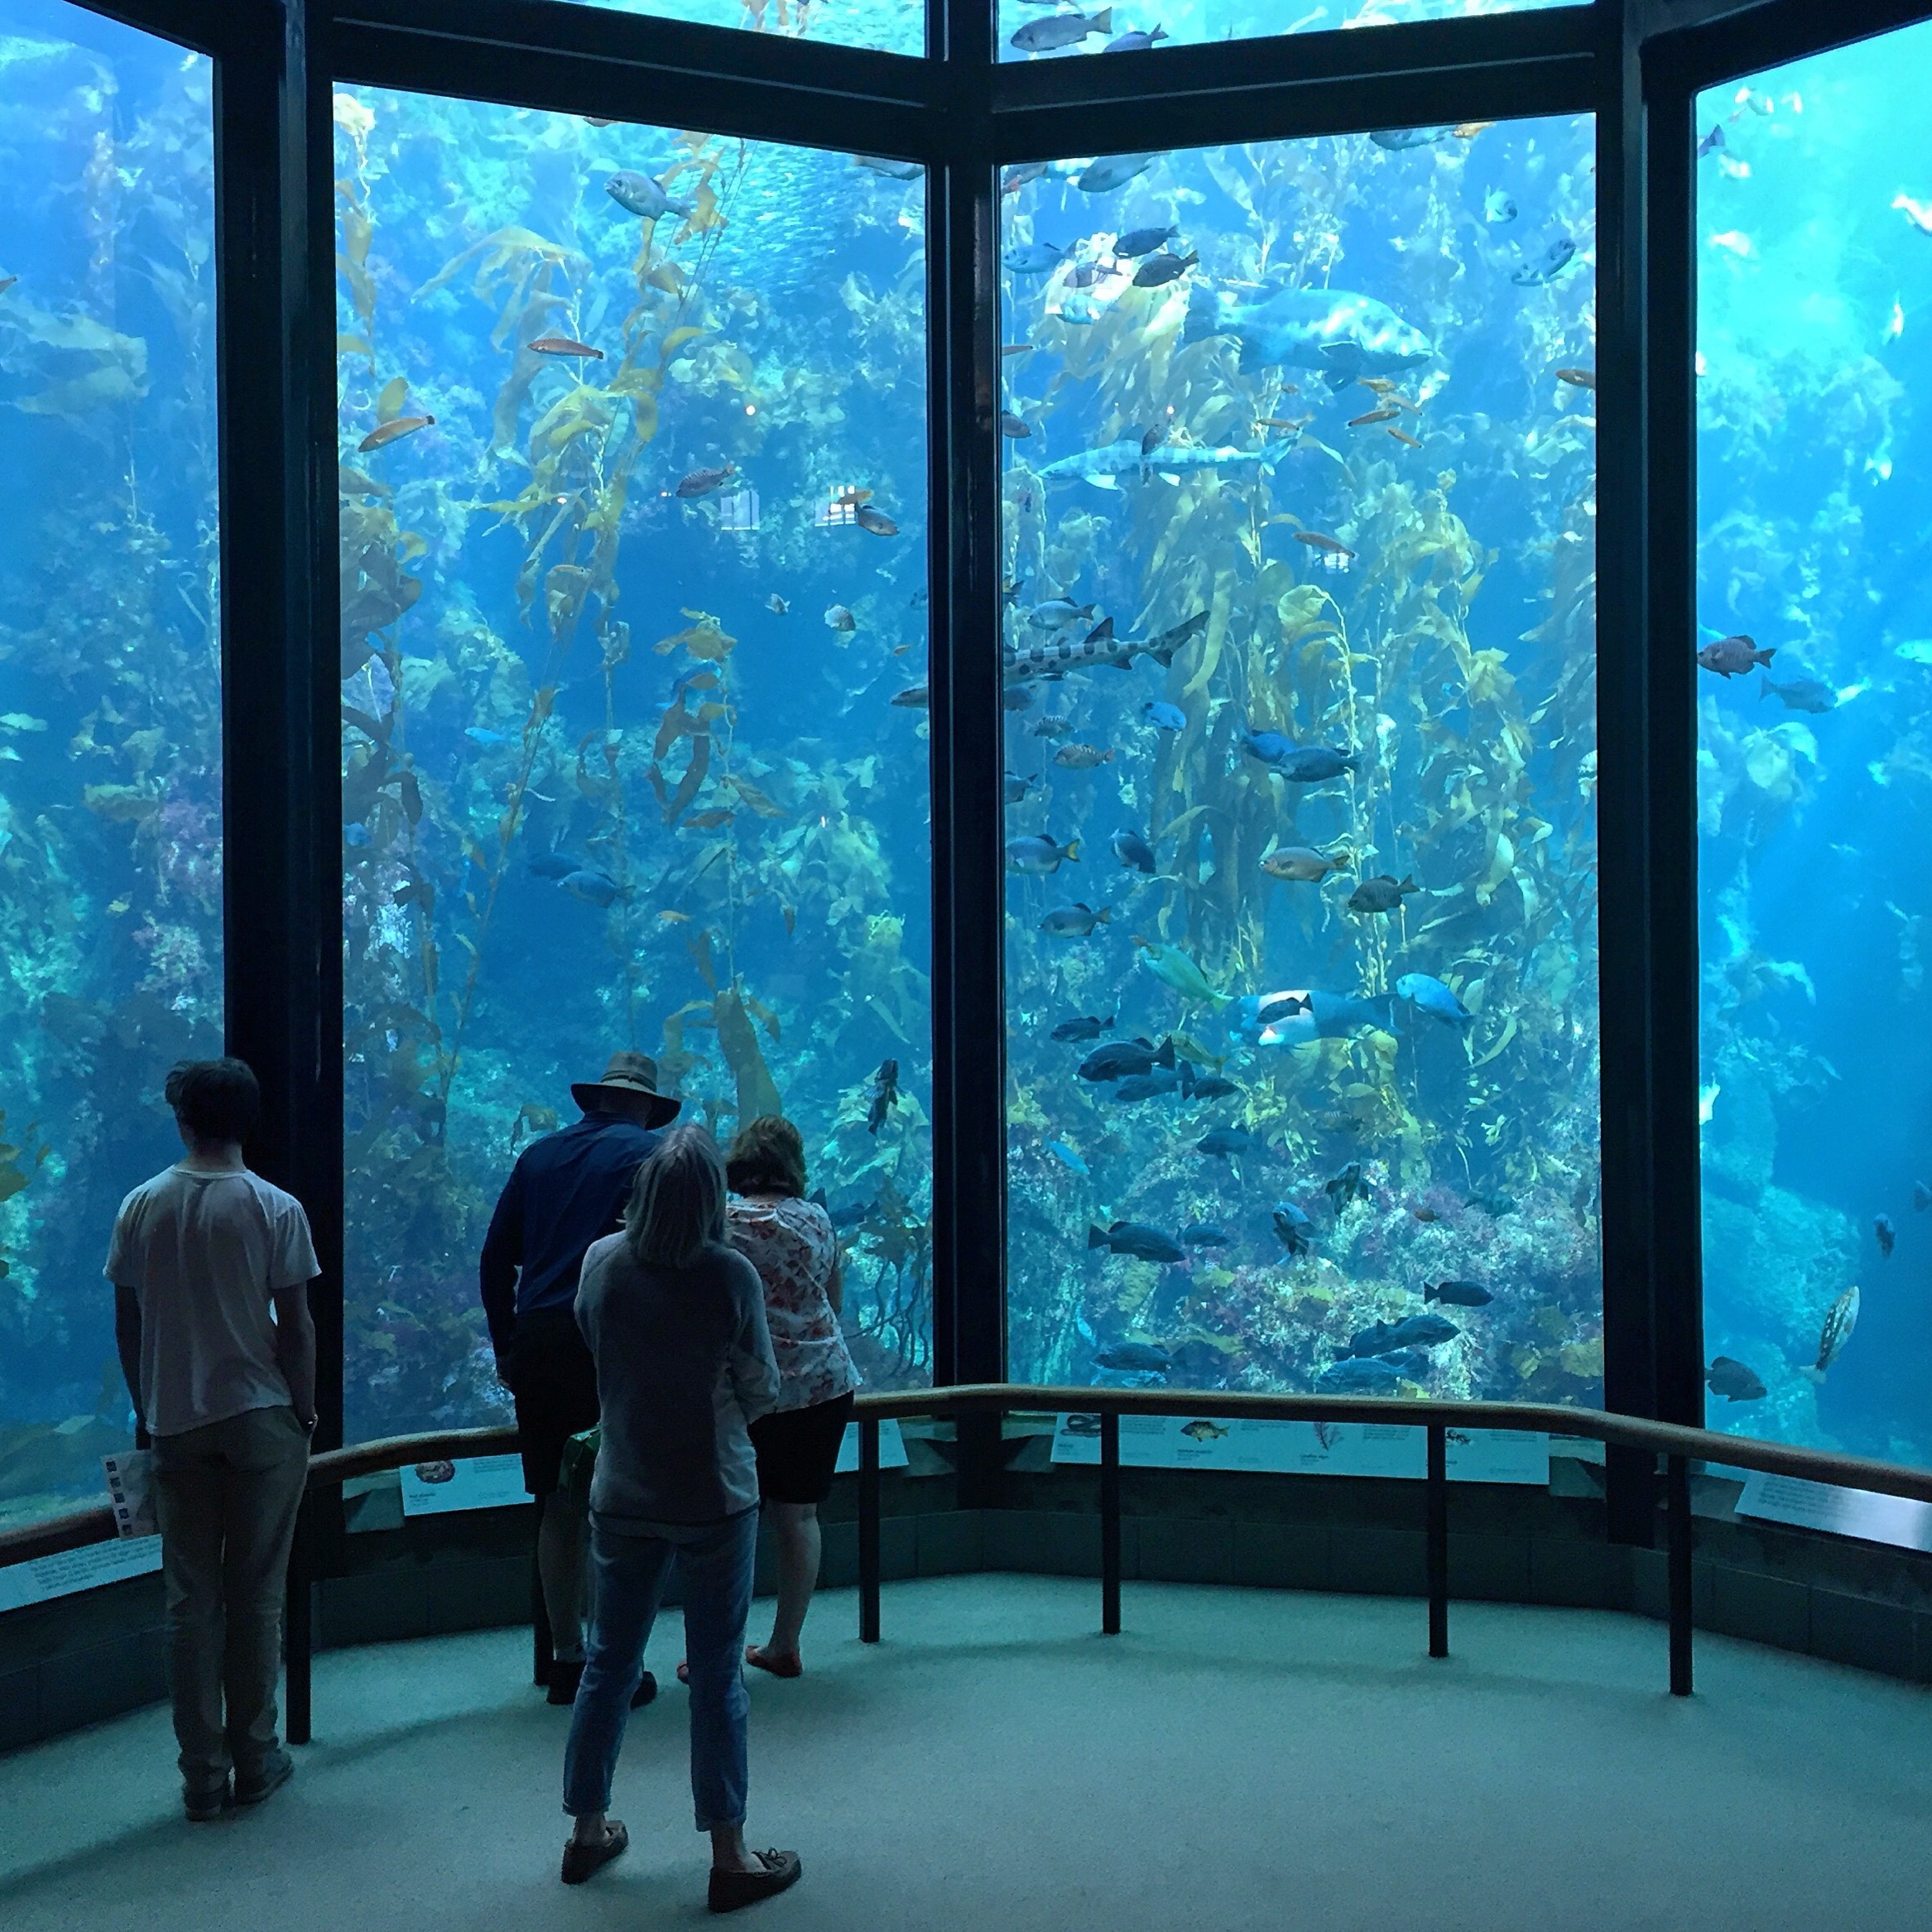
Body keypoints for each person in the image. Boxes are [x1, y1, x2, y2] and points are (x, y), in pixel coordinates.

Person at [560, 1125, 801, 1914]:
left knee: (609, 1664)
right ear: (710, 1201)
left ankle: (587, 1831)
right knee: (716, 1674)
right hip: (714, 1496)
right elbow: (762, 1384)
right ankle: (729, 1855)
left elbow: (591, 1337)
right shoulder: (729, 1274)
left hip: (622, 1492)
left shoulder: (602, 1261)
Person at [106, 1057, 320, 1821]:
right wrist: (305, 1409)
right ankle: (256, 1759)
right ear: (248, 1121)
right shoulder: (273, 1207)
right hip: (260, 1413)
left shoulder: (141, 1206)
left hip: (175, 1422)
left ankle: (202, 1774)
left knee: (189, 1600)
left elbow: (129, 1321)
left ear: (182, 1119)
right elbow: (294, 1325)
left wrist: (147, 1404)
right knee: (256, 1593)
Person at [480, 1050, 680, 1705]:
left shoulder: (538, 1157)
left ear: (594, 1101)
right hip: (614, 1337)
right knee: (621, 1498)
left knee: (555, 1501)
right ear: (646, 1107)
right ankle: (619, 1660)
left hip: (539, 1340)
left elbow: (495, 1259)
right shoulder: (650, 1156)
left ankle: (566, 1656)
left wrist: (506, 1344)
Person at [725, 1116, 860, 1678]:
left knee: (729, 1521)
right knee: (799, 1517)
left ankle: (718, 1651)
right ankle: (785, 1644)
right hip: (824, 1384)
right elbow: (833, 1298)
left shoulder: (723, 1221)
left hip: (749, 1391)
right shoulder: (817, 1218)